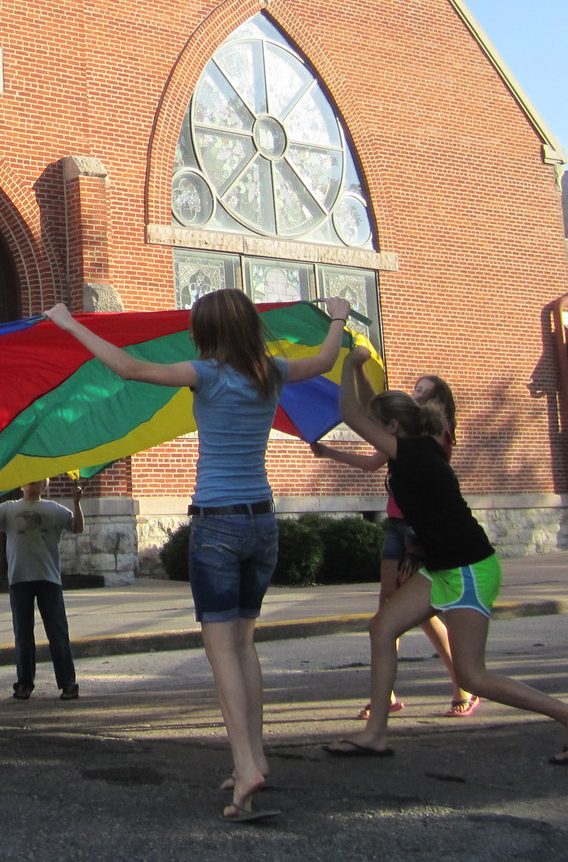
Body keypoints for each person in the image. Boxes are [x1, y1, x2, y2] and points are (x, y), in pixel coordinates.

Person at [47, 291, 351, 824]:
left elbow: (127, 366)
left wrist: (70, 324)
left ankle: (245, 766)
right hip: (262, 524)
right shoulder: (272, 372)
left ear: (207, 331)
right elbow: (327, 360)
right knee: (244, 643)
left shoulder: (205, 374)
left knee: (221, 651)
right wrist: (340, 318)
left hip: (217, 527)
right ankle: (254, 757)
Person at [325, 346, 568, 765]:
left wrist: (350, 366)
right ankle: (375, 735)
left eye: (378, 424)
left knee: (471, 675)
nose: (370, 428)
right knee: (383, 626)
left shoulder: (415, 452)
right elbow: (372, 408)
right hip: (443, 566)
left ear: (390, 427)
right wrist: (364, 375)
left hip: (468, 569)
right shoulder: (415, 444)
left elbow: (353, 413)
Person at [310, 374, 476, 718]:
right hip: (395, 525)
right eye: (412, 390)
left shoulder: (434, 431)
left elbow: (373, 413)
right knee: (388, 609)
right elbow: (373, 459)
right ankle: (386, 696)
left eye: (421, 390)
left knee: (422, 612)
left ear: (437, 397)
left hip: (419, 530)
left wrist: (362, 377)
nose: (414, 393)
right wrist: (328, 452)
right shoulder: (401, 434)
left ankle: (463, 684)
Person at [0, 480, 84, 701]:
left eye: (41, 479)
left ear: (46, 486)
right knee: (23, 635)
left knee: (58, 634)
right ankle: (24, 683)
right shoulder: (9, 509)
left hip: (49, 579)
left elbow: (77, 527)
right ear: (20, 484)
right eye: (31, 477)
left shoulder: (55, 509)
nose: (36, 481)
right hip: (20, 580)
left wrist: (77, 504)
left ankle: (68, 683)